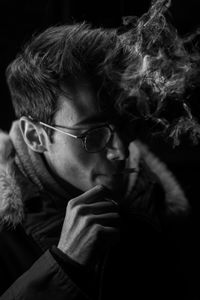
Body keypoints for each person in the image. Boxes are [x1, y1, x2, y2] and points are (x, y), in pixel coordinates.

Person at [0, 2, 195, 299]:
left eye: (122, 123)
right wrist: (65, 266)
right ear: (35, 136)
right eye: (93, 134)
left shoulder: (157, 204)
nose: (120, 151)